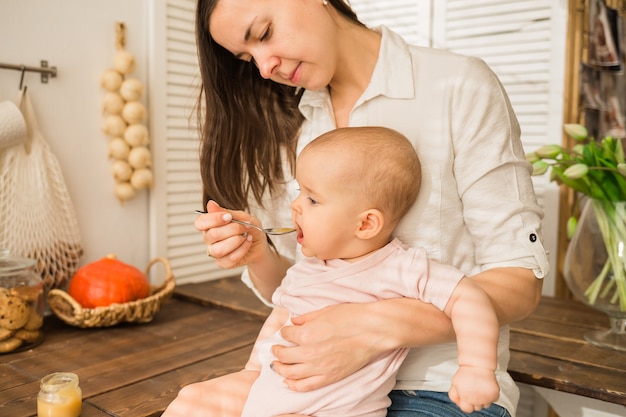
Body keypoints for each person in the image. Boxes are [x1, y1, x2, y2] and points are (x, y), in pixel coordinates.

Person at [166, 1, 550, 416]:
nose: (263, 67)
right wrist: (258, 255)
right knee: (192, 404)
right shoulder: (297, 121)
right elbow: (310, 282)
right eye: (246, 58)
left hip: (438, 389)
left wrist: (370, 329)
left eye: (263, 33)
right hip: (305, 382)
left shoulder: (457, 85)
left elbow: (520, 281)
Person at [165, 127, 501, 417]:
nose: (295, 205)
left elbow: (469, 297)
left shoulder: (398, 266)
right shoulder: (310, 266)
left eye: (312, 199)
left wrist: (475, 368)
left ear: (366, 223)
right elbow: (281, 315)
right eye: (300, 192)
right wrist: (251, 372)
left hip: (330, 409)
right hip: (269, 391)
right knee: (191, 399)